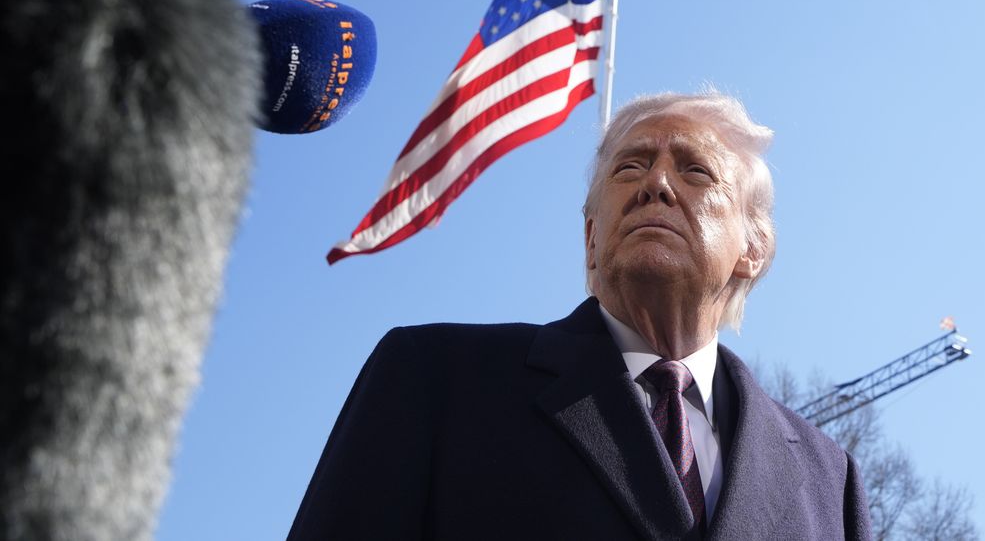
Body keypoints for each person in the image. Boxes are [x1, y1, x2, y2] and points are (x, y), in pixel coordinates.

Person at [287, 92, 871, 540]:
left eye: (695, 171)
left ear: (753, 247)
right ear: (591, 239)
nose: (656, 185)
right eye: (629, 168)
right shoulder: (432, 377)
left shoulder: (829, 481)